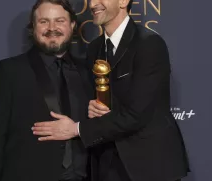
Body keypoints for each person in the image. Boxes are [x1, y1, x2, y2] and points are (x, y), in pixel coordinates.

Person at [31, 0, 190, 181]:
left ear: (123, 1)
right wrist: (93, 106)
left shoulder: (149, 45)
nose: (92, 4)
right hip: (106, 164)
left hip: (149, 166)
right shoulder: (95, 48)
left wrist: (76, 129)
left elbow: (137, 114)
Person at [0, 0, 92, 181]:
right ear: (33, 28)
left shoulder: (88, 71)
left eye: (59, 21)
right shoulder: (10, 71)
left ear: (72, 26)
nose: (52, 28)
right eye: (44, 21)